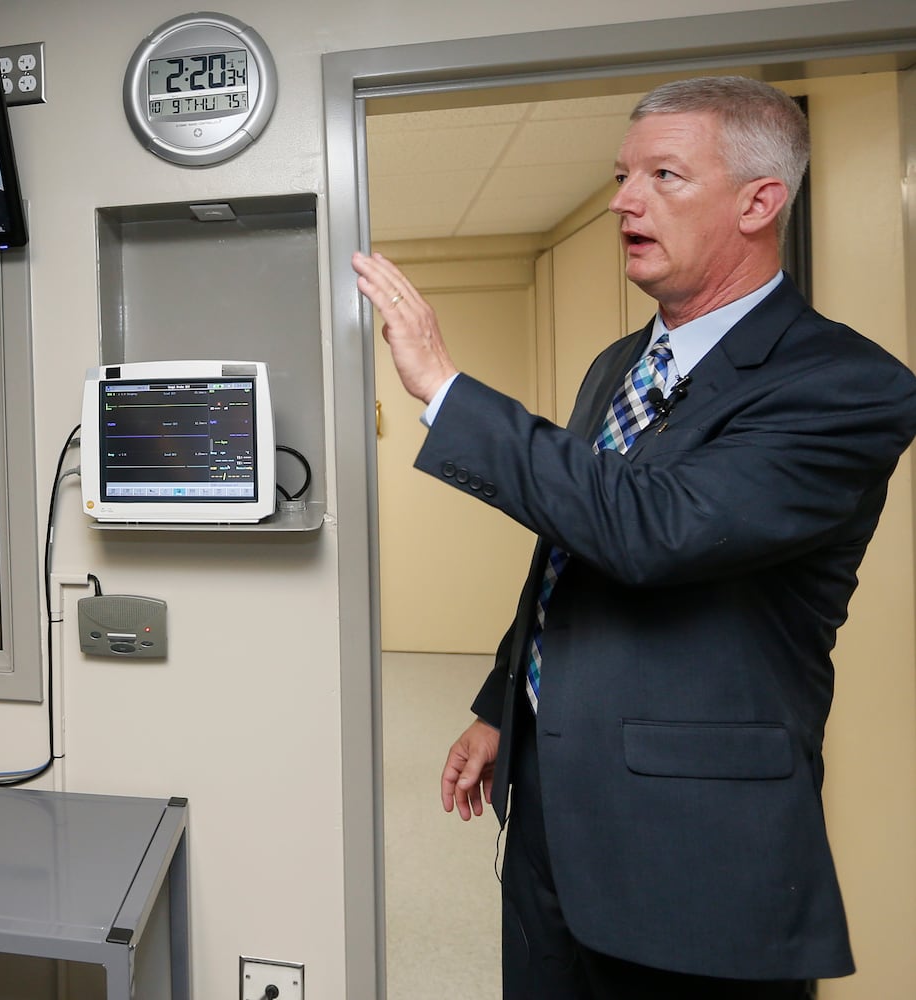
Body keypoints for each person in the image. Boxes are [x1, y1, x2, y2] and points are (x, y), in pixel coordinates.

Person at [353, 75, 916, 999]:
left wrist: (448, 393)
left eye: (663, 174)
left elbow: (653, 529)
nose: (624, 200)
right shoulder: (620, 363)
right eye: (623, 174)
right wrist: (504, 705)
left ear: (759, 201)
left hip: (689, 849)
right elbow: (568, 550)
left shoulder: (845, 385)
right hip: (548, 807)